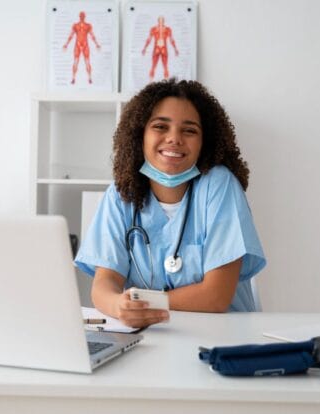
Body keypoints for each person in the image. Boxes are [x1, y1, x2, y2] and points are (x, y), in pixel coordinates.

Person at [75, 78, 266, 328]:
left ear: (204, 142)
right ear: (139, 134)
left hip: (221, 338)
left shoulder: (219, 186)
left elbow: (216, 296)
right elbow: (104, 284)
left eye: (189, 130)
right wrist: (119, 306)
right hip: (152, 336)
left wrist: (145, 305)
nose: (174, 138)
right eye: (160, 126)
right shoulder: (120, 194)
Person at [62, 11, 100, 84]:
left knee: (87, 61)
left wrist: (96, 44)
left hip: (85, 44)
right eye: (81, 16)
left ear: (84, 16)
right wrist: (66, 44)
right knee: (76, 61)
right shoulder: (75, 25)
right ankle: (73, 78)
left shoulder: (88, 25)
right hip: (77, 45)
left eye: (83, 16)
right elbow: (71, 35)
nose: (82, 17)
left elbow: (92, 35)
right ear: (79, 16)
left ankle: (90, 78)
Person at [142, 16, 179, 80]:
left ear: (164, 21)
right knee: (153, 66)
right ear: (158, 21)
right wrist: (145, 48)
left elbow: (171, 39)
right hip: (156, 48)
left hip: (164, 48)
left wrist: (175, 49)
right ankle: (150, 82)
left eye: (162, 20)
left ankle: (167, 82)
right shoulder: (153, 29)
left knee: (165, 66)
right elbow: (149, 39)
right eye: (160, 20)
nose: (161, 22)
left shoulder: (167, 29)